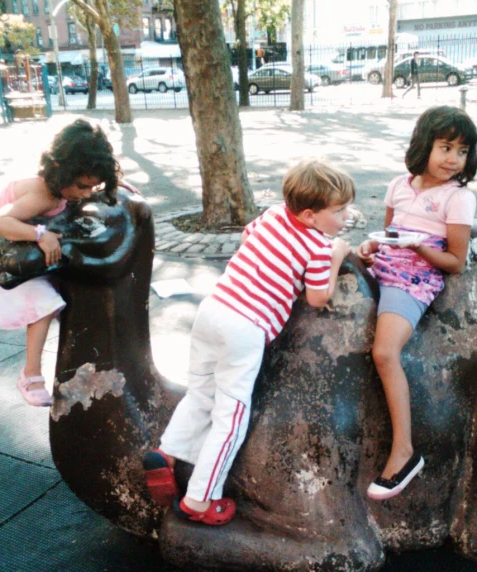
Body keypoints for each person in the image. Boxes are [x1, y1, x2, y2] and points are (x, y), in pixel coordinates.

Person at [143, 159, 354, 525]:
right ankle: (200, 499)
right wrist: (338, 255)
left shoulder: (273, 215)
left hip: (213, 309)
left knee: (201, 392)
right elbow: (319, 296)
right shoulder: (320, 245)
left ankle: (168, 453)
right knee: (231, 417)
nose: (345, 217)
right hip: (246, 327)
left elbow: (246, 236)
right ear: (309, 215)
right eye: (338, 211)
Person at [357, 106, 477, 500]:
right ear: (424, 144)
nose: (453, 159)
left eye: (462, 151)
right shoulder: (399, 185)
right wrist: (373, 245)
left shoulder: (457, 198)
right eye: (445, 147)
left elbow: (455, 263)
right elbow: (389, 233)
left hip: (414, 278)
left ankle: (405, 452)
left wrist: (420, 247)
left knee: (385, 353)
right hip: (386, 265)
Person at [0, 119, 121, 407]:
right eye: (83, 186)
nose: (86, 194)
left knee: (70, 292)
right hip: (1, 253)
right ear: (64, 172)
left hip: (22, 244)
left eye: (92, 187)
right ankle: (30, 375)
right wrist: (40, 234)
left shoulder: (63, 188)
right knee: (44, 304)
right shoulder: (43, 194)